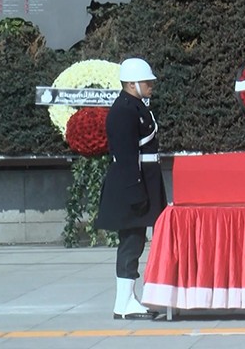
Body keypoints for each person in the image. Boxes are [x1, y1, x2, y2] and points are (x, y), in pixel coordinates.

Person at [96, 58, 167, 320]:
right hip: (132, 184)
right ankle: (123, 303)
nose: (151, 85)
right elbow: (127, 157)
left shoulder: (135, 106)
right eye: (147, 81)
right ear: (131, 83)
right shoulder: (124, 110)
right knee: (131, 243)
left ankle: (129, 299)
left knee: (134, 243)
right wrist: (136, 191)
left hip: (143, 181)